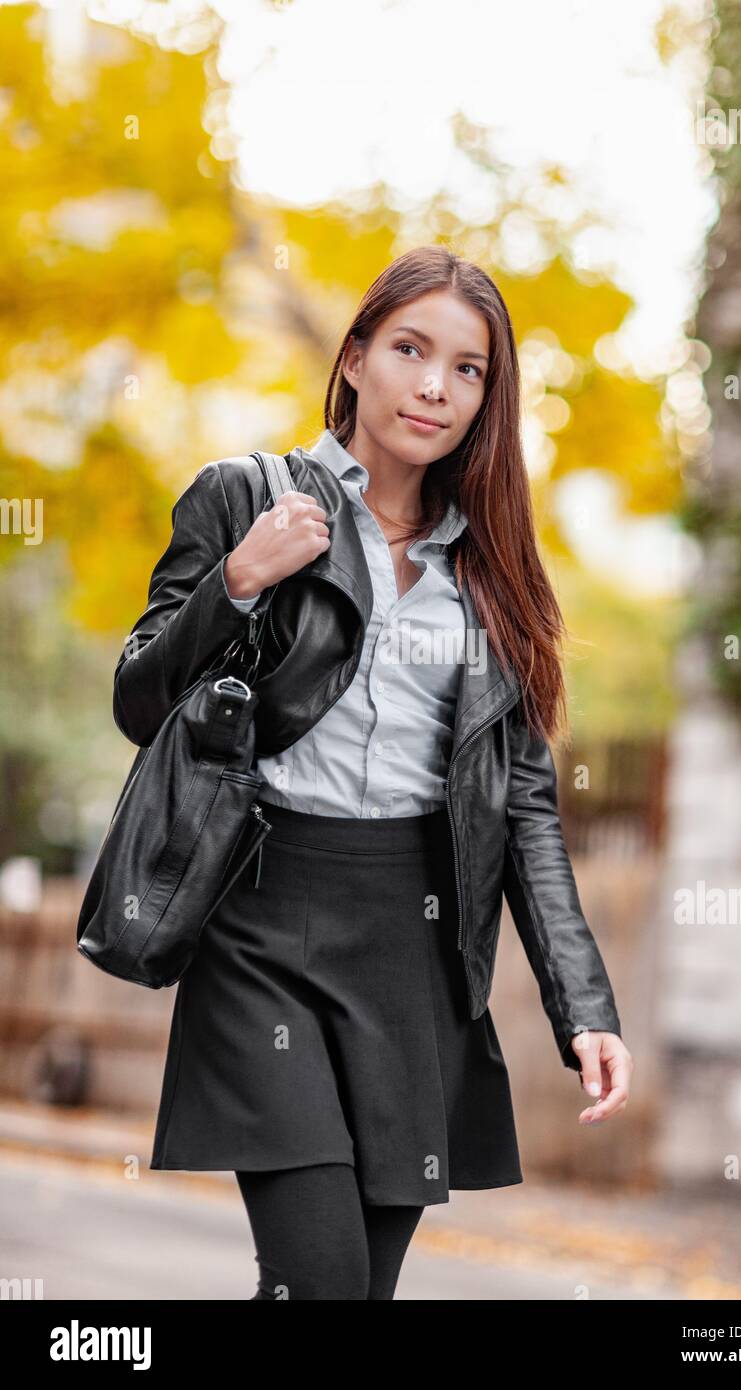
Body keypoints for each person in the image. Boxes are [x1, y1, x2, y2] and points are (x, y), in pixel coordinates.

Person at [113, 245, 632, 1300]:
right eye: (408, 349)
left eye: (468, 368)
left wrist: (582, 1004)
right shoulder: (243, 498)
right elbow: (138, 699)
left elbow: (522, 802)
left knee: (354, 1292)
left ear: (489, 396)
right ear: (353, 359)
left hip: (417, 943)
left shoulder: (490, 571)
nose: (435, 386)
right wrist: (239, 580)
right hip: (261, 921)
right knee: (320, 1276)